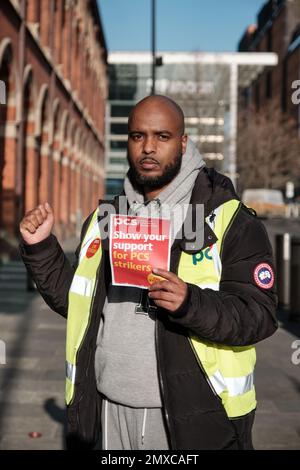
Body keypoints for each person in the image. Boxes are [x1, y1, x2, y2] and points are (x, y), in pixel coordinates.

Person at [19, 95, 277, 450]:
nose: (148, 148)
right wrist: (40, 246)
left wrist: (190, 302)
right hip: (107, 409)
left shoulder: (228, 219)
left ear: (184, 143)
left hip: (191, 416)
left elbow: (259, 315)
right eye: (138, 136)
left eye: (162, 136)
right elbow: (78, 303)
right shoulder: (106, 218)